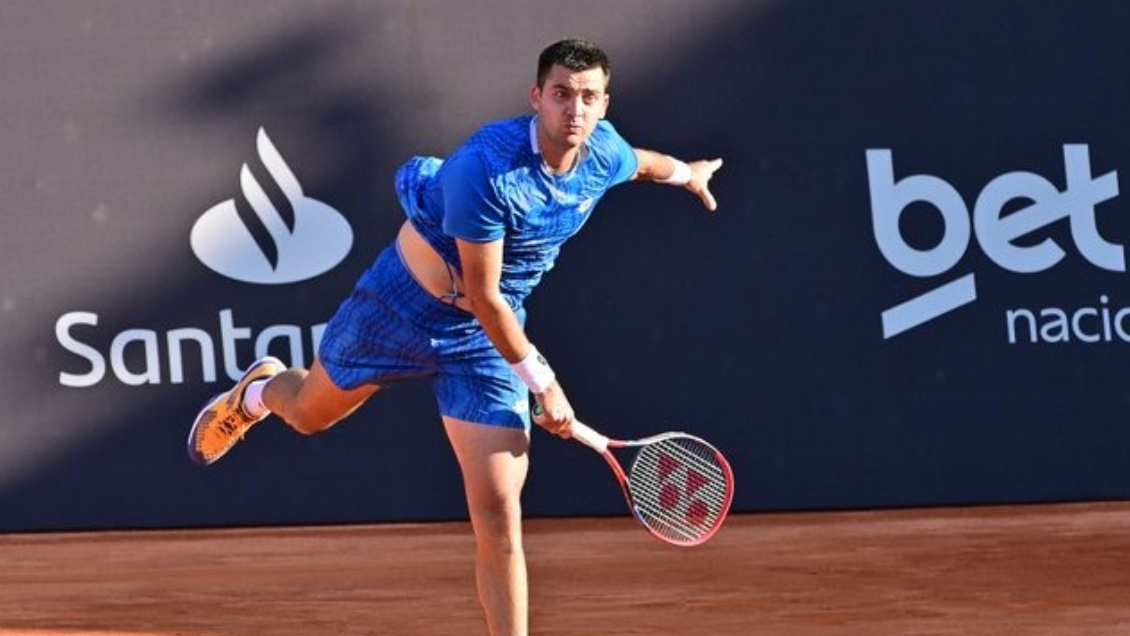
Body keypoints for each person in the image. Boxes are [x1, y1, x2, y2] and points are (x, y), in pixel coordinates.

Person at [187, 38, 722, 636]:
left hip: (481, 344)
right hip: (399, 307)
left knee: (498, 514)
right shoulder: (486, 170)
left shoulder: (604, 152)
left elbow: (644, 163)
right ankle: (259, 393)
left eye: (589, 97)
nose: (575, 109)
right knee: (310, 413)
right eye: (561, 94)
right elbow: (485, 295)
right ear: (536, 98)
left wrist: (686, 174)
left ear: (604, 104)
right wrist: (544, 385)